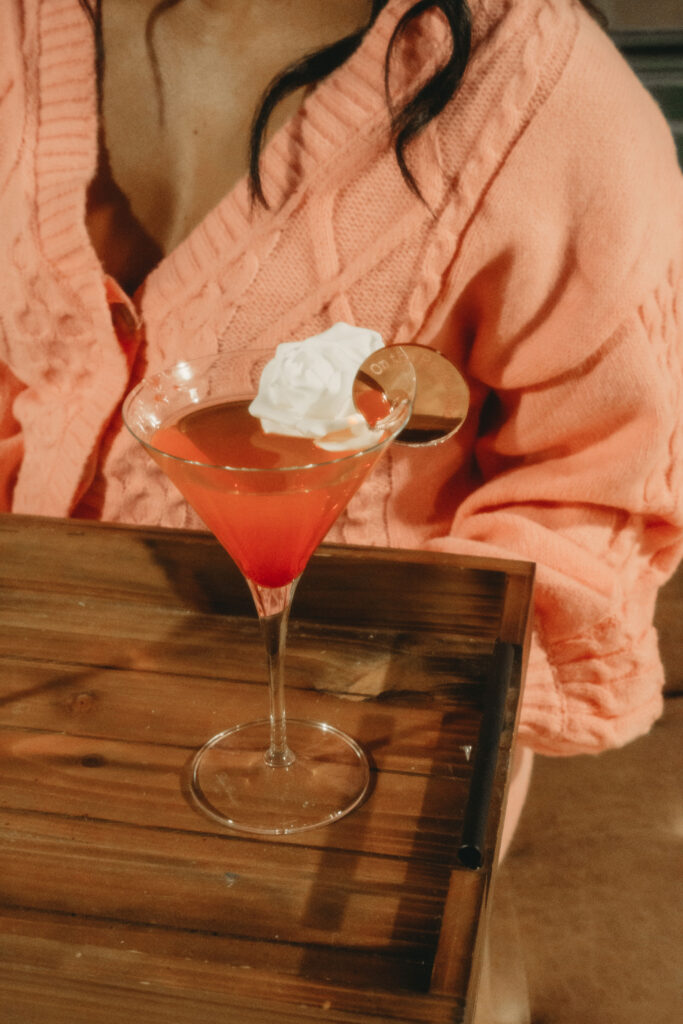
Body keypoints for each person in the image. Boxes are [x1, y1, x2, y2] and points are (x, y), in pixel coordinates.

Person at [1, 0, 681, 858]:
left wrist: (367, 671)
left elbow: (599, 502)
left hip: (376, 737)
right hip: (52, 674)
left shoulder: (549, 100)